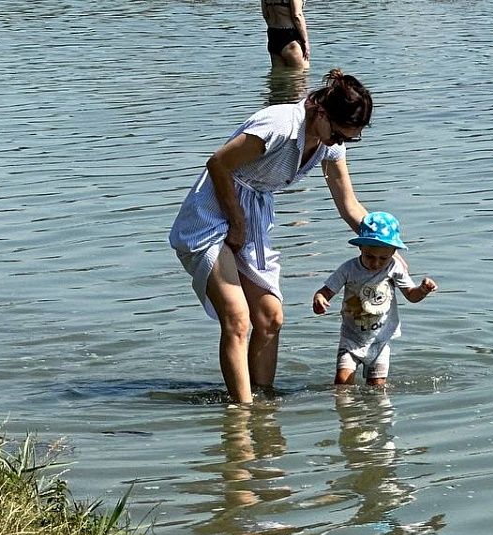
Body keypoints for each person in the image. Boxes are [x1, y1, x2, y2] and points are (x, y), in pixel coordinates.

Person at [169, 69, 373, 404]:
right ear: (322, 112)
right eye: (338, 134)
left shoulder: (328, 145)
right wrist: (236, 222)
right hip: (210, 216)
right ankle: (243, 413)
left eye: (348, 140)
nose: (339, 143)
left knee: (270, 317)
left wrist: (384, 244)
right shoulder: (279, 125)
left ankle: (263, 407)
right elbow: (218, 163)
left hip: (252, 221)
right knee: (237, 318)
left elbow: (349, 205)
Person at [312, 212, 437, 386]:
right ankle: (344, 404)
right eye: (369, 256)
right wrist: (319, 298)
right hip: (351, 337)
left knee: (377, 386)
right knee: (342, 382)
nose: (376, 263)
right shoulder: (349, 269)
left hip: (380, 339)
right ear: (360, 247)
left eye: (383, 258)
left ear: (393, 252)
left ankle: (374, 405)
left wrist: (422, 290)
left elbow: (411, 295)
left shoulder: (394, 268)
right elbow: (326, 291)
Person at [261, 0, 310, 69]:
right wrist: (305, 41)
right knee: (301, 72)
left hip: (273, 36)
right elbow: (297, 16)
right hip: (290, 37)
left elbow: (266, 15)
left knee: (278, 74)